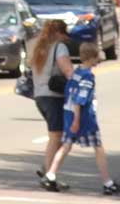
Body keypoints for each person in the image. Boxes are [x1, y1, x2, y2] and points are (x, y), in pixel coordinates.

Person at [46, 40, 120, 195]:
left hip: (68, 114)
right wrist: (77, 120)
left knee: (66, 146)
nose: (99, 59)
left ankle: (50, 174)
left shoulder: (76, 73)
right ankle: (108, 184)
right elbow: (79, 99)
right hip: (84, 118)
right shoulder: (87, 77)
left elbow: (70, 94)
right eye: (97, 56)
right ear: (91, 58)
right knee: (98, 148)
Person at [32, 17, 75, 190]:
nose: (66, 38)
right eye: (64, 34)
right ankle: (49, 175)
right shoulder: (59, 47)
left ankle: (48, 170)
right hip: (54, 96)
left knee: (57, 136)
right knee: (58, 137)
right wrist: (79, 83)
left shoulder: (39, 47)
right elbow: (67, 70)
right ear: (58, 33)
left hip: (40, 96)